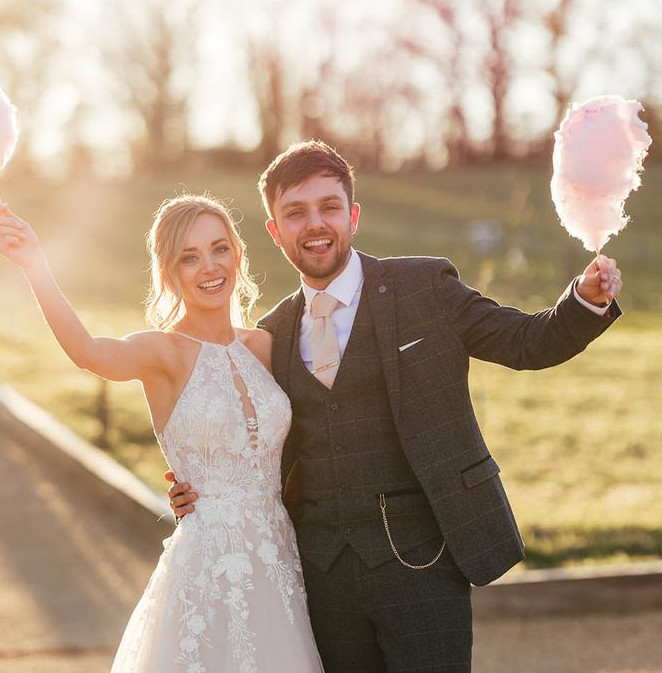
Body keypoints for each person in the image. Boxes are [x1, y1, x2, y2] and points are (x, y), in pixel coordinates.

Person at [168, 140, 623, 672]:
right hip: (321, 576)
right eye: (295, 212)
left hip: (424, 562)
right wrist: (192, 482)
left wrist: (585, 300)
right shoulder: (271, 334)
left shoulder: (423, 286)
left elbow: (527, 341)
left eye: (329, 207)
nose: (315, 224)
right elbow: (245, 435)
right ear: (275, 230)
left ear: (353, 215)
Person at [0, 194, 324, 672]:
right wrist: (36, 266)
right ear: (169, 272)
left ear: (238, 254)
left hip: (280, 561)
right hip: (207, 567)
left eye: (219, 249)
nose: (209, 266)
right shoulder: (162, 353)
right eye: (189, 257)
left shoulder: (267, 346)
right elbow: (88, 351)